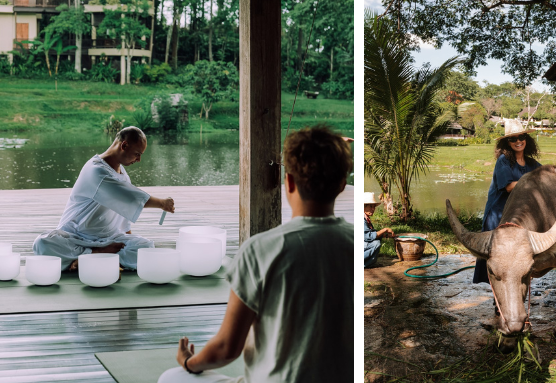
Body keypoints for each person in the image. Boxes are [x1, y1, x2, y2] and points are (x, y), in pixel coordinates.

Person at [159, 126, 353, 383]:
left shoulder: (260, 250)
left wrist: (188, 362)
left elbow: (226, 349)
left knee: (171, 378)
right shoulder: (354, 243)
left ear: (289, 181)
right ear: (342, 185)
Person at [33, 127, 175, 271]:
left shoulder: (122, 174)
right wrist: (162, 203)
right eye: (137, 154)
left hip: (108, 240)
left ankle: (85, 260)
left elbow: (123, 212)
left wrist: (130, 240)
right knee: (43, 243)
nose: (138, 160)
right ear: (124, 146)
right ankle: (99, 255)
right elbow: (129, 198)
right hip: (75, 238)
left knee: (146, 247)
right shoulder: (96, 170)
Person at [474, 119, 542, 287]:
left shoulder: (530, 163)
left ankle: (514, 290)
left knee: (514, 255)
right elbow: (509, 187)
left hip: (516, 216)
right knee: (497, 256)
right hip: (498, 214)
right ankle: (497, 295)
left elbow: (545, 173)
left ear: (527, 138)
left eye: (521, 137)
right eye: (513, 139)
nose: (518, 141)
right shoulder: (503, 161)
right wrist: (531, 180)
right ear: (507, 142)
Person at [364, 192, 394, 268]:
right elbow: (368, 237)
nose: (373, 209)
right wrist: (385, 229)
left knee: (376, 241)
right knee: (375, 243)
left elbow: (372, 233)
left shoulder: (366, 218)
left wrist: (385, 235)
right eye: (371, 206)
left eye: (374, 207)